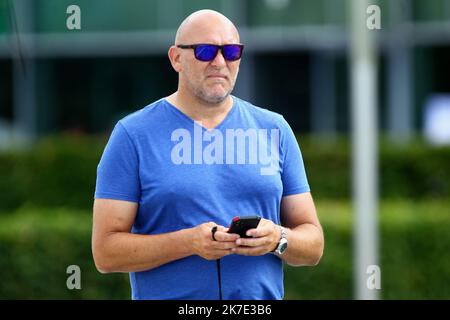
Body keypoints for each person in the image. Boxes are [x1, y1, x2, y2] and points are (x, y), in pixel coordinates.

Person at [92, 9, 324, 300]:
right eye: (205, 51)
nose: (219, 62)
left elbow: (313, 245)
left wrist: (278, 238)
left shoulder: (274, 128)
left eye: (231, 51)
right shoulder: (132, 134)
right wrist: (189, 243)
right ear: (176, 58)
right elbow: (105, 253)